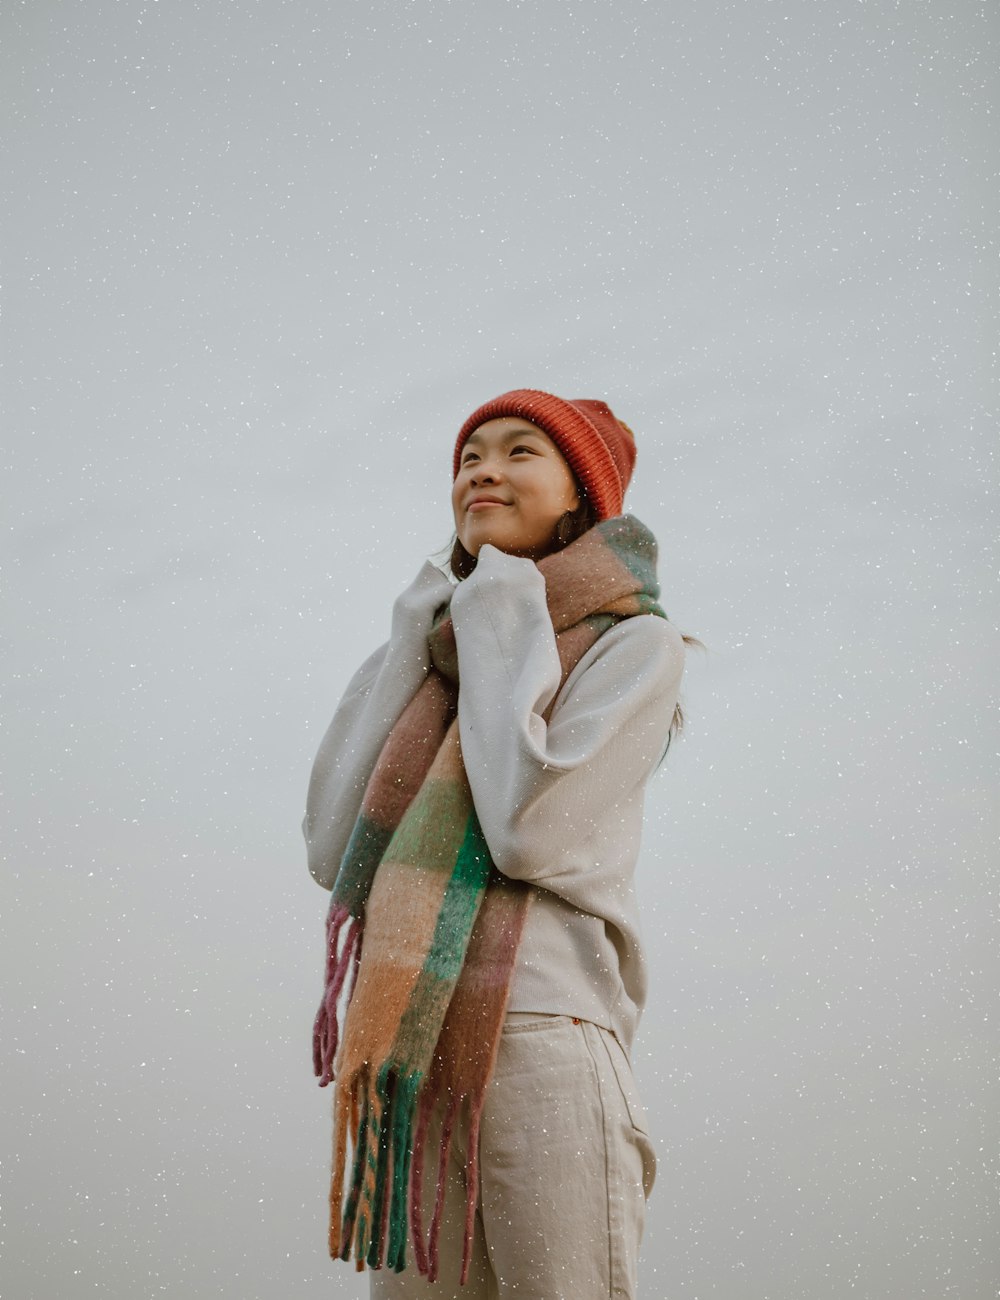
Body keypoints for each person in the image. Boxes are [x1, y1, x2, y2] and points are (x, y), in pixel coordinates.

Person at [303, 388, 695, 1299]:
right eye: (470, 455)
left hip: (545, 1036)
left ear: (580, 495)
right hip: (416, 1055)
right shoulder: (435, 643)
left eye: (522, 451)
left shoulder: (635, 644)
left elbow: (526, 829)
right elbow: (335, 851)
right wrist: (414, 635)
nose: (483, 468)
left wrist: (501, 615)